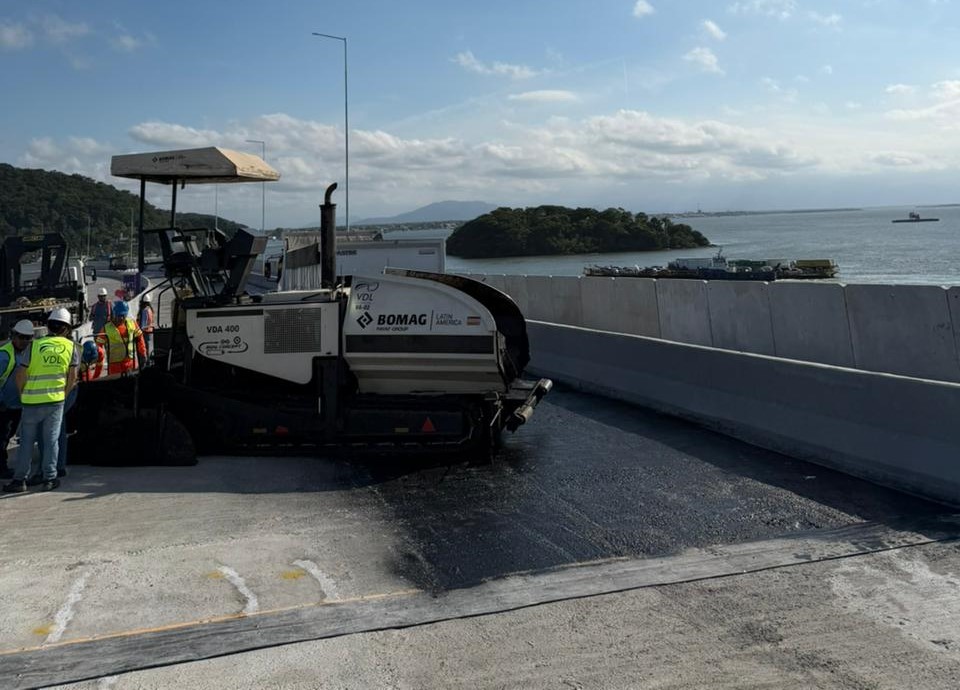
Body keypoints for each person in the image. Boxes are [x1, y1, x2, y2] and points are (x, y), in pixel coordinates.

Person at [2, 309, 78, 493]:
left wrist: (23, 394)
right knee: (51, 440)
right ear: (66, 329)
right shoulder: (70, 347)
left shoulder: (34, 346)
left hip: (31, 402)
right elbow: (73, 377)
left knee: (26, 442)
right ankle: (49, 478)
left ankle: (19, 480)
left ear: (49, 326)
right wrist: (63, 395)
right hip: (55, 402)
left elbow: (20, 374)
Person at [0, 320, 34, 479]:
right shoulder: (4, 355)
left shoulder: (29, 353)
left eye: (28, 338)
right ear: (13, 336)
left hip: (18, 404)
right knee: (2, 438)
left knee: (7, 436)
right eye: (21, 337)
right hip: (4, 405)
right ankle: (1, 468)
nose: (24, 341)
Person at [96, 301, 146, 376]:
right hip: (114, 366)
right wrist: (99, 362)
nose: (121, 318)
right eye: (119, 316)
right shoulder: (106, 328)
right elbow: (98, 346)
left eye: (123, 315)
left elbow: (140, 339)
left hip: (130, 363)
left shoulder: (132, 323)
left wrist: (143, 354)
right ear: (114, 314)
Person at [138, 293, 155, 359]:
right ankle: (149, 360)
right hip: (150, 331)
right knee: (149, 348)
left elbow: (143, 324)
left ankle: (146, 361)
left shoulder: (144, 310)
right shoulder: (149, 309)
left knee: (144, 349)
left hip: (145, 332)